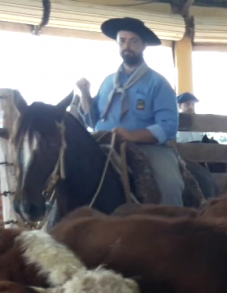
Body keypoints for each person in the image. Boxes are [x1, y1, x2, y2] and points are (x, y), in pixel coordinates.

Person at [75, 17, 184, 207]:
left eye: (134, 41)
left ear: (143, 46)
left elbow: (168, 127)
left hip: (148, 148)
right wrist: (85, 94)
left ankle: (173, 227)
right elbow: (92, 120)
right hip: (104, 144)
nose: (128, 46)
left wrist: (132, 135)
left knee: (169, 183)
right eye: (122, 41)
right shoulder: (108, 82)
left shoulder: (157, 83)